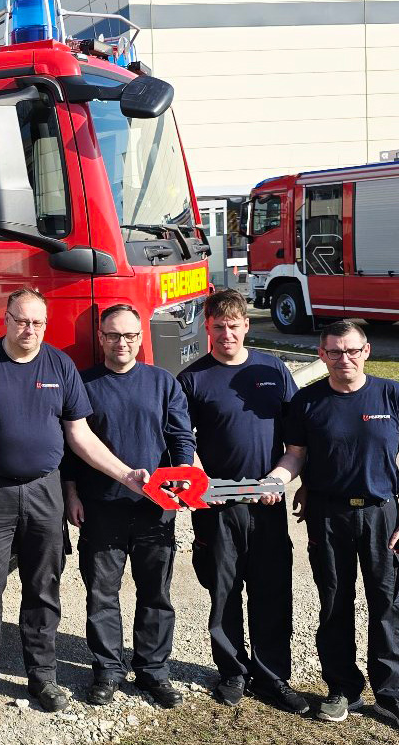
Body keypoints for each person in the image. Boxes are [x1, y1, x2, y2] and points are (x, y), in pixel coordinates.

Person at [0, 288, 154, 722]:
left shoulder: (59, 364)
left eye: (38, 323)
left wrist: (125, 473)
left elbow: (80, 435)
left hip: (46, 491)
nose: (30, 330)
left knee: (44, 588)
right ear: (6, 319)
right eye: (22, 321)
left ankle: (43, 677)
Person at [274, 319, 399, 736]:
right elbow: (296, 456)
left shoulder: (392, 394)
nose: (343, 359)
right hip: (327, 516)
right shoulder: (308, 401)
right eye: (334, 351)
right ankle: (341, 689)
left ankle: (393, 693)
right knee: (334, 602)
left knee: (386, 603)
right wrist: (278, 481)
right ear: (321, 355)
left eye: (351, 350)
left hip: (381, 514)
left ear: (366, 351)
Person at [176, 289, 308, 714]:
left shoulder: (274, 370)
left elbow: (297, 441)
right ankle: (232, 671)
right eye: (218, 326)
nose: (227, 333)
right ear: (207, 327)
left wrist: (281, 479)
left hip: (267, 503)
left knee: (271, 590)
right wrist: (201, 481)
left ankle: (273, 677)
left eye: (234, 325)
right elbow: (183, 441)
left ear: (247, 325)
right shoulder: (192, 379)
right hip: (217, 506)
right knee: (223, 590)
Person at [63, 304, 195, 709]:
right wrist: (71, 492)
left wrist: (185, 474)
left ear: (141, 338)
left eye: (130, 335)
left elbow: (181, 437)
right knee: (102, 593)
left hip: (155, 508)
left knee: (156, 593)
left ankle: (153, 671)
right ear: (101, 337)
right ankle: (107, 669)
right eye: (113, 335)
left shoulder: (162, 383)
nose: (122, 342)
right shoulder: (82, 384)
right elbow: (70, 447)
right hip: (101, 507)